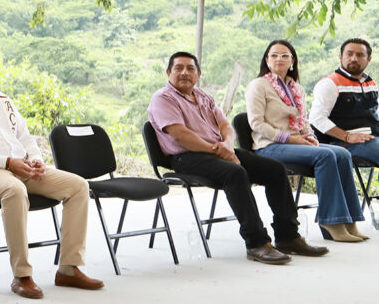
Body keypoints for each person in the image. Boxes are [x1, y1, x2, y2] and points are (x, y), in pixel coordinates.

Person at [0, 41, 103, 299]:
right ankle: (22, 275)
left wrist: (36, 159)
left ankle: (69, 269)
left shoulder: (3, 99)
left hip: (21, 166)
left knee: (78, 186)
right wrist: (6, 162)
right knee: (15, 190)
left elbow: (24, 136)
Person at [147, 51, 327, 262]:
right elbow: (180, 135)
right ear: (168, 72)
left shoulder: (203, 96)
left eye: (190, 69)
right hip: (187, 157)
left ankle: (288, 236)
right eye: (178, 68)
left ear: (198, 74)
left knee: (275, 169)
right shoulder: (163, 98)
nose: (184, 73)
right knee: (235, 173)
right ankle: (257, 243)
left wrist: (227, 146)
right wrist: (218, 150)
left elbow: (225, 126)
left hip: (218, 150)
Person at [245, 39, 366, 242]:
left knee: (343, 153)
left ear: (292, 61)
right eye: (274, 55)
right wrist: (291, 139)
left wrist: (309, 137)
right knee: (326, 155)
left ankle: (350, 220)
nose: (279, 59)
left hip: (295, 143)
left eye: (285, 55)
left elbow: (303, 121)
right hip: (269, 146)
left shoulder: (296, 89)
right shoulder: (259, 85)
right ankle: (332, 221)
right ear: (266, 60)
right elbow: (257, 124)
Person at [309, 37, 379, 170]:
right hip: (342, 143)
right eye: (349, 54)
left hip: (373, 138)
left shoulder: (371, 84)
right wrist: (347, 136)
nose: (353, 58)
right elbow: (316, 118)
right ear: (341, 57)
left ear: (369, 59)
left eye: (360, 55)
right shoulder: (329, 83)